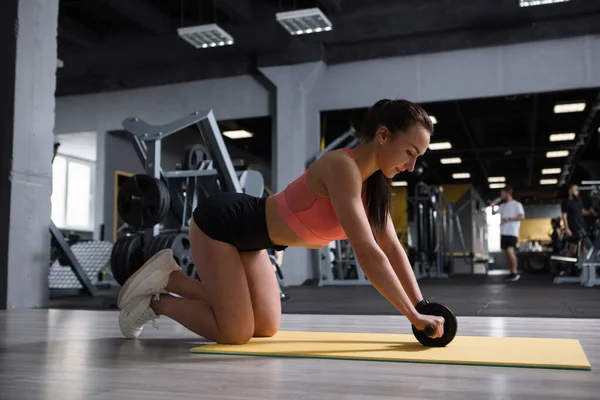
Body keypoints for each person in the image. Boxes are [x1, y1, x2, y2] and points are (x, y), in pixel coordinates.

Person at [116, 99, 445, 344]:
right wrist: (412, 316)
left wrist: (422, 304)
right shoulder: (342, 167)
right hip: (223, 226)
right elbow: (368, 252)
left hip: (257, 242)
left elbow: (391, 248)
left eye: (418, 157)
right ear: (384, 136)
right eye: (410, 152)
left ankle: (167, 281)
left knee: (266, 326)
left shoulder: (375, 188)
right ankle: (161, 298)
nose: (412, 165)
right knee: (236, 332)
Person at [490, 186, 525, 282]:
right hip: (503, 232)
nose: (501, 195)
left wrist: (510, 219)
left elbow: (522, 217)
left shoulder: (517, 205)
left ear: (508, 193)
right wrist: (494, 204)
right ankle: (511, 272)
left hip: (512, 232)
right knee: (507, 254)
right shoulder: (502, 206)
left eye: (502, 194)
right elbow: (493, 212)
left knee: (510, 251)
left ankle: (515, 272)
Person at [561, 184, 597, 257]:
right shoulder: (566, 202)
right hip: (573, 227)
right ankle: (566, 264)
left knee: (584, 247)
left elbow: (582, 211)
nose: (577, 192)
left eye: (578, 190)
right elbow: (564, 216)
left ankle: (587, 264)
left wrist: (590, 212)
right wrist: (567, 228)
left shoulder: (579, 201)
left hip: (581, 227)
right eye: (576, 190)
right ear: (570, 191)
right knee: (574, 248)